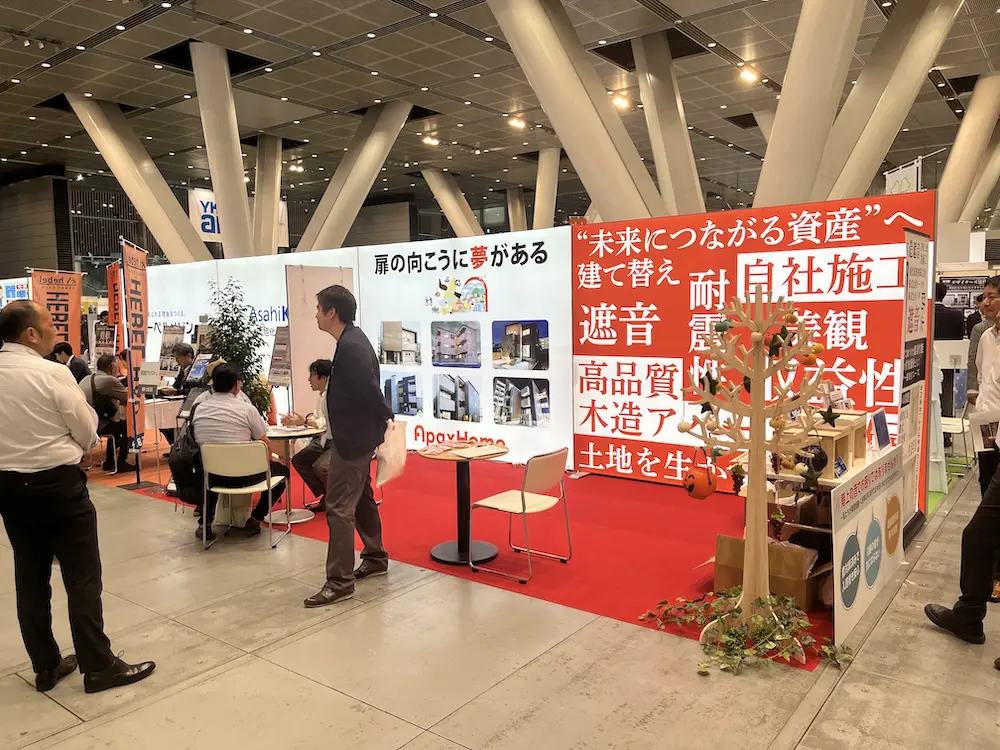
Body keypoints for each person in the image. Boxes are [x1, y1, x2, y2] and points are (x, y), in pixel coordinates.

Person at [0, 301, 155, 693]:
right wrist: (72, 445)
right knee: (82, 576)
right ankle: (98, 665)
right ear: (30, 333)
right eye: (49, 324)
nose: (55, 332)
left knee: (29, 576)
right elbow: (87, 430)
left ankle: (46, 664)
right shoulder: (51, 373)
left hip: (9, 488)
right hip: (58, 485)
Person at [926, 276, 1000, 670]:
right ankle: (971, 613)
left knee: (978, 533)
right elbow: (984, 381)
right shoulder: (985, 337)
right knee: (982, 531)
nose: (985, 303)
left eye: (993, 297)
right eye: (984, 297)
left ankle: (970, 614)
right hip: (991, 436)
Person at [304, 285, 392, 609]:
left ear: (331, 312)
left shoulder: (352, 346)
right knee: (362, 497)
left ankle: (339, 582)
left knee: (339, 508)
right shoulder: (351, 341)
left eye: (318, 309)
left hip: (352, 440)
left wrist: (386, 417)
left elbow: (369, 391)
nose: (315, 315)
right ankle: (375, 556)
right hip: (356, 436)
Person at [191, 363, 289, 541]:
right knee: (282, 472)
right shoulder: (247, 409)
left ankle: (205, 523)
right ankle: (256, 518)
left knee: (209, 466)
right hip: (246, 477)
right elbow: (265, 443)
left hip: (212, 477)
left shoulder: (199, 409)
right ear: (237, 385)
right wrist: (269, 460)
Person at [286, 359, 333, 510]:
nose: (309, 379)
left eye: (312, 374)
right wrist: (303, 421)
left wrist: (305, 421)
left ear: (324, 377)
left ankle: (334, 498)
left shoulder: (332, 396)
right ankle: (327, 494)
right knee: (299, 460)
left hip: (337, 442)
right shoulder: (322, 396)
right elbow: (319, 420)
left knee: (321, 467)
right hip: (323, 440)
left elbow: (325, 423)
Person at [81, 354, 135, 473]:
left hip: (85, 423)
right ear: (112, 367)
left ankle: (110, 461)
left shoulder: (87, 378)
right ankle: (120, 462)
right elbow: (128, 397)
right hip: (98, 424)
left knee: (116, 425)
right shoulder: (110, 380)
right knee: (127, 426)